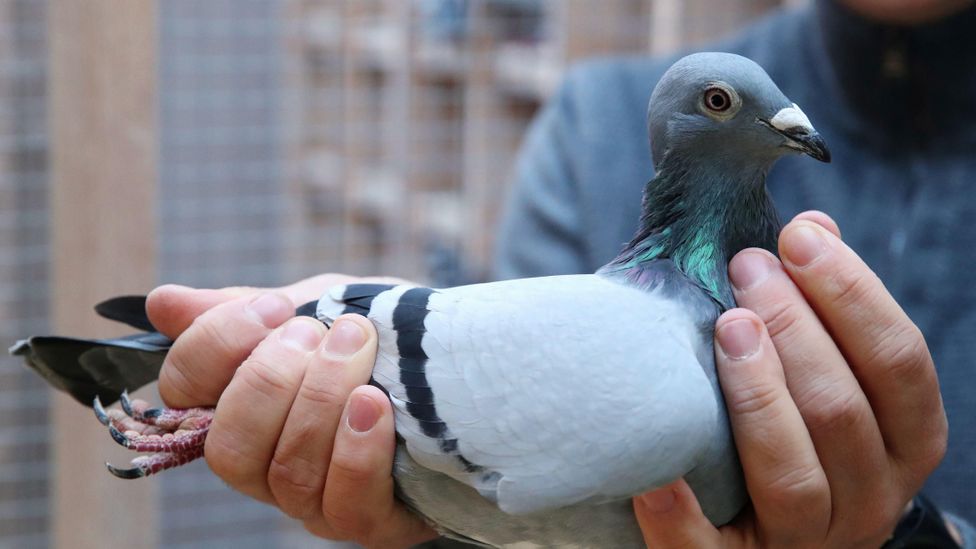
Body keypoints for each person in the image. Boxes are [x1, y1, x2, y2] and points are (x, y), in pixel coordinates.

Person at [143, 0, 975, 546]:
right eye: (723, 106)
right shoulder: (591, 126)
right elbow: (517, 496)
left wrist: (910, 537)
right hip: (389, 377)